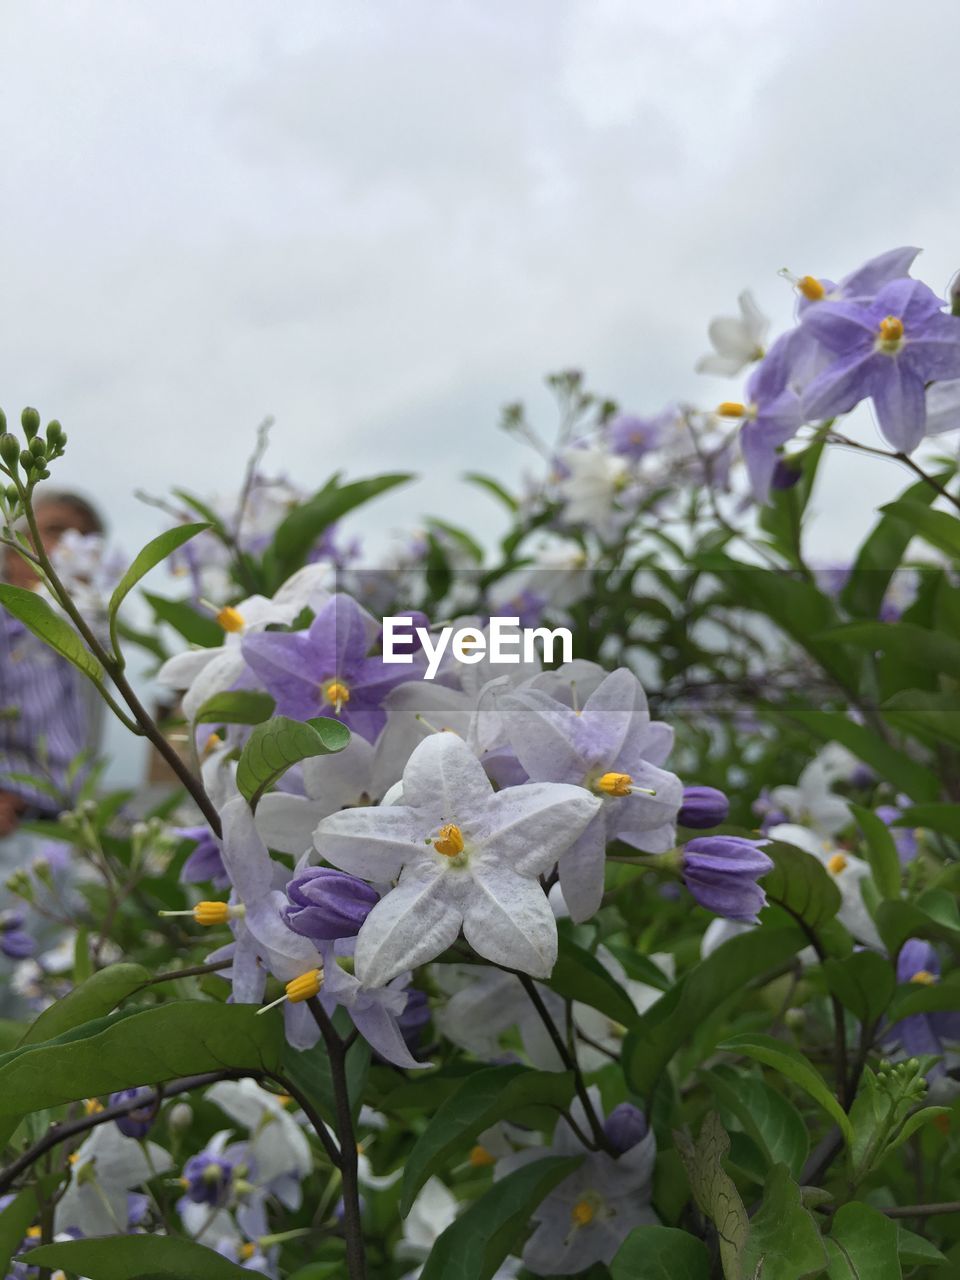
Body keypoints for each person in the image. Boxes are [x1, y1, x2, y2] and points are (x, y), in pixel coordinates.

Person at [0, 490, 106, 838]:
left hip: (71, 825)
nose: (72, 545)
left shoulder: (94, 634)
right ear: (11, 544)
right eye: (56, 530)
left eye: (88, 539)